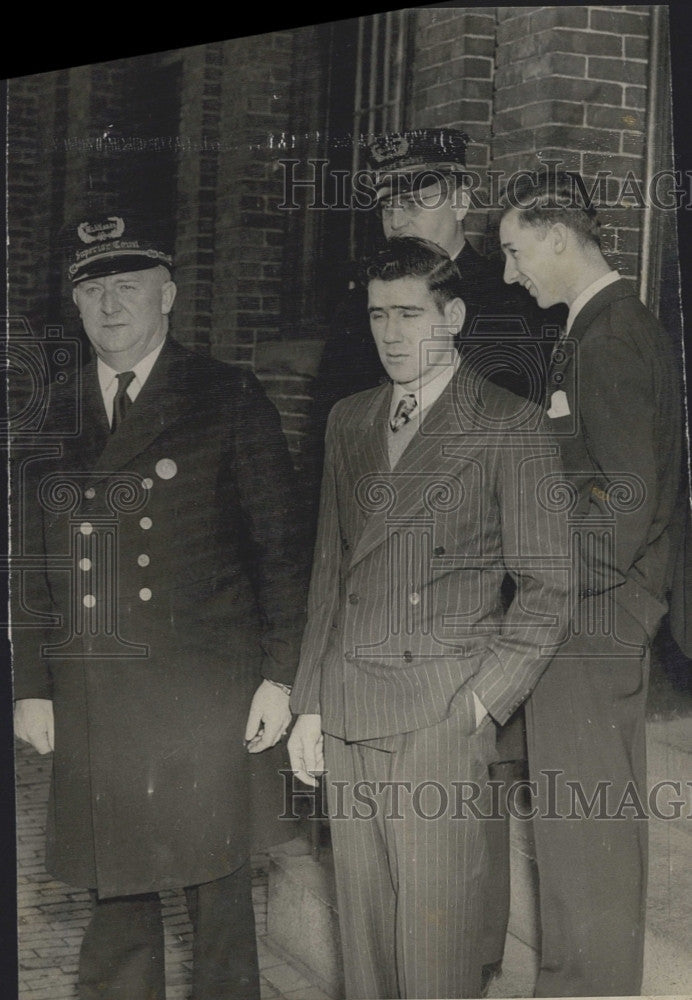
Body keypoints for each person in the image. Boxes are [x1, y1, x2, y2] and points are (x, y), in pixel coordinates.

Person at [11, 212, 307, 1000]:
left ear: (168, 295)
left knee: (217, 895)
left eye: (129, 288)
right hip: (97, 689)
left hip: (204, 692)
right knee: (118, 888)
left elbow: (280, 553)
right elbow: (32, 568)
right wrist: (31, 687)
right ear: (76, 307)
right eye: (94, 291)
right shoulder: (50, 416)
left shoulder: (225, 395)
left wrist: (280, 678)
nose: (111, 307)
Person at [306, 127, 558, 989]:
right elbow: (329, 568)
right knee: (367, 949)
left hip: (441, 697)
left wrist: (481, 701)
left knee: (441, 943)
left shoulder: (510, 388)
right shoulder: (350, 412)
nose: (387, 331)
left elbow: (545, 581)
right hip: (349, 698)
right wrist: (309, 701)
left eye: (407, 314)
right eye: (378, 315)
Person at [499, 171, 683, 997]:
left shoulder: (609, 337)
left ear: (558, 238)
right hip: (594, 615)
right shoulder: (598, 327)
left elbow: (627, 501)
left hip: (591, 620)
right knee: (578, 837)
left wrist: (553, 589)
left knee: (587, 842)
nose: (509, 274)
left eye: (513, 252)